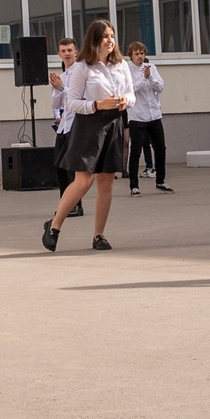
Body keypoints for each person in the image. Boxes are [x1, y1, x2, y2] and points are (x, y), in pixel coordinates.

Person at [44, 18, 133, 251]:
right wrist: (97, 105)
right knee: (83, 180)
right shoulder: (83, 67)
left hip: (113, 123)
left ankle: (99, 235)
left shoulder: (121, 64)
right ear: (94, 40)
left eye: (112, 36)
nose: (110, 40)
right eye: (105, 36)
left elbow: (132, 95)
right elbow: (71, 103)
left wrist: (125, 101)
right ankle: (54, 226)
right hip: (89, 125)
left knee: (106, 181)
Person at [123, 43, 169, 194]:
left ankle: (161, 180)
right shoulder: (127, 70)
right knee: (136, 151)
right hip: (137, 116)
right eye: (136, 54)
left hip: (154, 114)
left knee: (160, 148)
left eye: (142, 53)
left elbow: (160, 87)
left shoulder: (151, 67)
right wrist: (144, 78)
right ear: (131, 55)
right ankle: (134, 186)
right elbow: (130, 89)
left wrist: (150, 78)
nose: (140, 57)